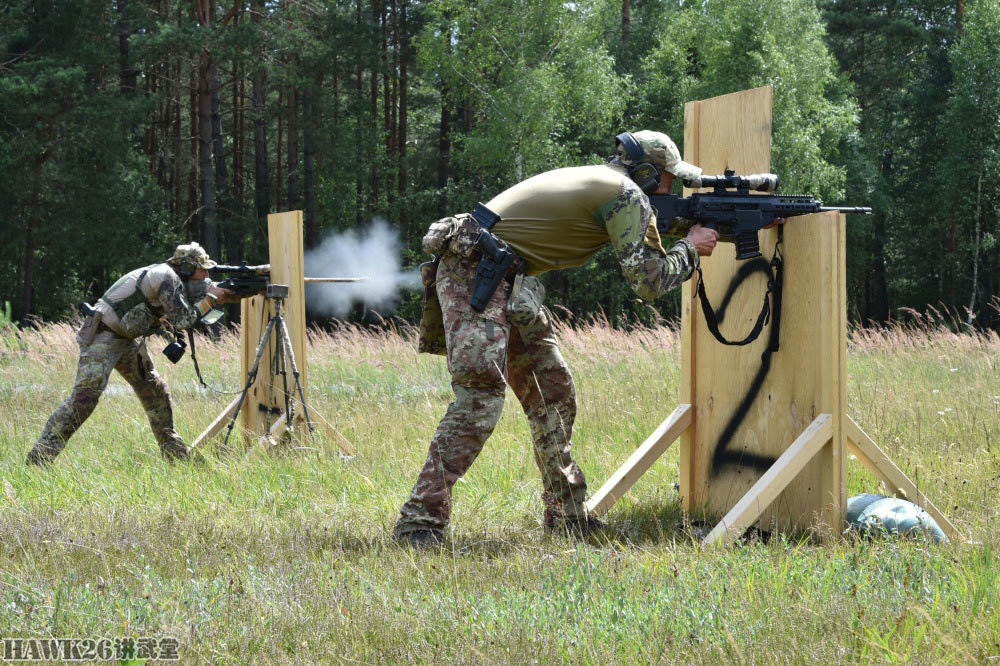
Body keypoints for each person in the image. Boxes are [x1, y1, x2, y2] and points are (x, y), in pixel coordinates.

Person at [393, 130, 720, 547]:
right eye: (670, 178)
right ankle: (419, 523)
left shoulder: (607, 184)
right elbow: (649, 281)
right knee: (480, 396)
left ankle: (567, 518)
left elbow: (652, 239)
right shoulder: (625, 195)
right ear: (647, 174)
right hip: (477, 270)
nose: (673, 187)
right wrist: (691, 249)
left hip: (503, 276)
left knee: (553, 390)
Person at [27, 242, 243, 465]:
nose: (206, 274)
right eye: (202, 269)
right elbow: (183, 319)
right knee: (84, 399)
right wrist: (212, 298)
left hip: (125, 339)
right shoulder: (165, 277)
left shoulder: (175, 278)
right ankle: (39, 458)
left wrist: (235, 292)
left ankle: (176, 459)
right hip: (103, 335)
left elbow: (202, 290)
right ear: (187, 268)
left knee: (156, 392)